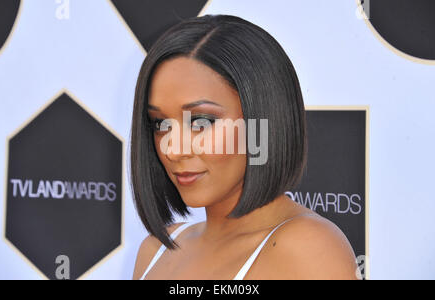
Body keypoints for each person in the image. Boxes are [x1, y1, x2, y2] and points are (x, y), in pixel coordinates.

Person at [129, 14, 359, 280]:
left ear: (263, 120)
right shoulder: (157, 249)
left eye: (201, 122)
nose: (173, 149)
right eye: (160, 124)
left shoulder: (307, 249)